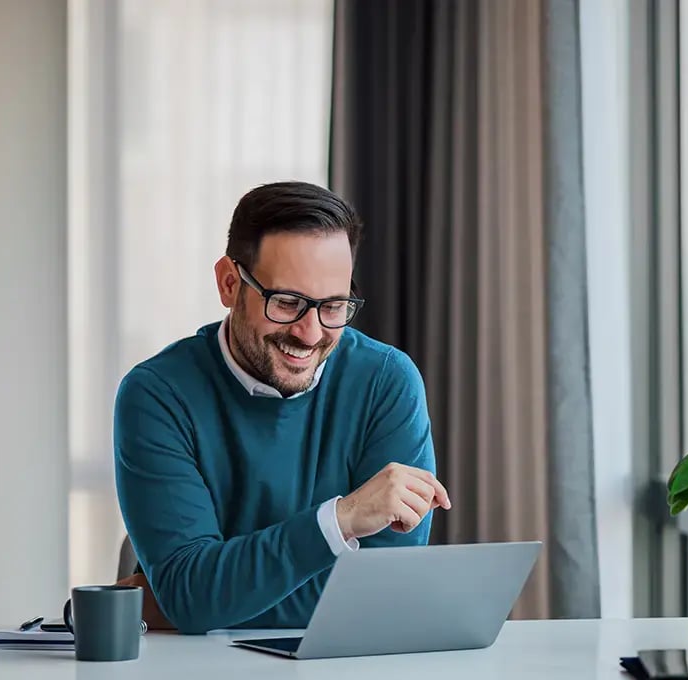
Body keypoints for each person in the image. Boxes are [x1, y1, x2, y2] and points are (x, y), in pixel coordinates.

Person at [113, 181, 451, 634]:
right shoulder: (157, 395)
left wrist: (190, 601)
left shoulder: (386, 381)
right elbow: (190, 596)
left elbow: (384, 594)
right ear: (229, 283)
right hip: (194, 664)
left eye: (334, 306)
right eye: (287, 303)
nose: (310, 333)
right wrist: (341, 520)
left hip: (342, 664)